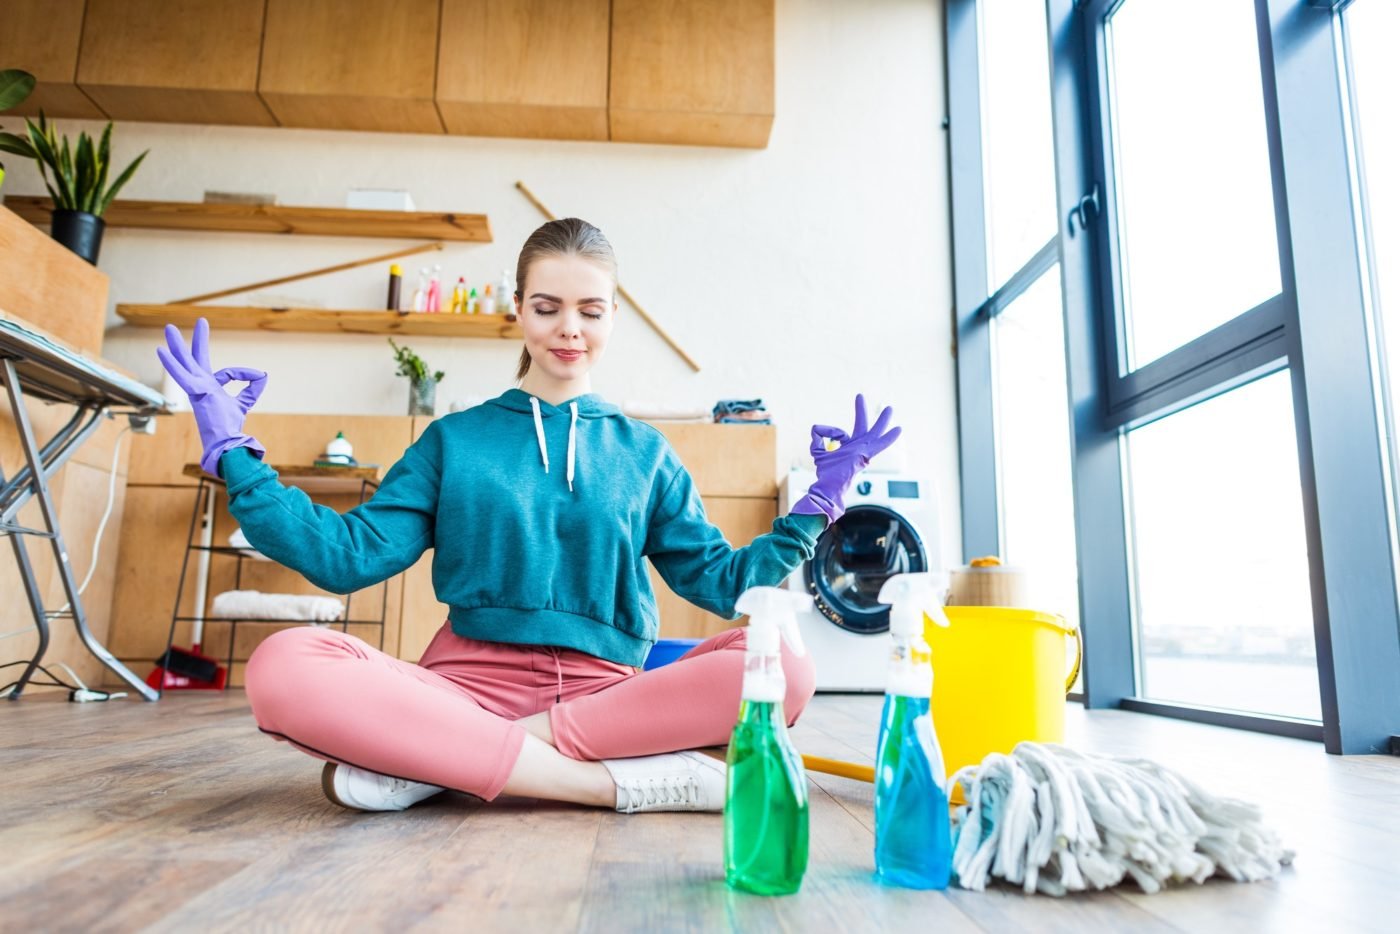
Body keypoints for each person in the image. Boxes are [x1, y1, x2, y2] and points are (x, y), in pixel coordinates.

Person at [156, 218, 901, 814]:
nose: (568, 329)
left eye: (590, 310)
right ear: (518, 311)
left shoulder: (645, 453)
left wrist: (817, 506)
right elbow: (349, 556)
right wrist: (236, 457)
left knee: (788, 665)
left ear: (614, 317)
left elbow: (726, 585)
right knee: (285, 665)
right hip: (460, 686)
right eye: (546, 308)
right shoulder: (454, 439)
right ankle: (614, 785)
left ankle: (439, 762)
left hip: (607, 694)